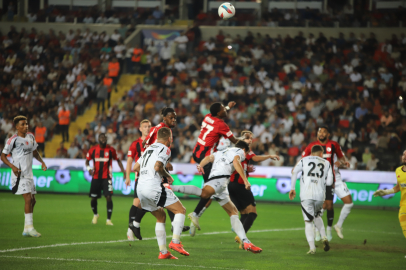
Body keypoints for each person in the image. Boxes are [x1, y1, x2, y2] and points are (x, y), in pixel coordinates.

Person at [170, 140, 263, 253]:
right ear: (244, 149)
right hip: (220, 179)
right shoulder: (240, 152)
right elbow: (236, 162)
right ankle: (171, 188)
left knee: (233, 212)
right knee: (204, 193)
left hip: (220, 182)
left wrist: (200, 165)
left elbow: (209, 158)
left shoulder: (222, 151)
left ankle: (246, 241)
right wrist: (245, 180)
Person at [133, 127, 189, 259]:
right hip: (153, 186)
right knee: (180, 210)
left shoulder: (148, 149)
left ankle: (163, 253)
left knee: (161, 216)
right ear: (169, 139)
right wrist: (167, 175)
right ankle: (176, 242)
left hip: (140, 188)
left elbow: (135, 167)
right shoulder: (165, 149)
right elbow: (158, 167)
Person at [188, 102, 239, 232]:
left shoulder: (207, 117)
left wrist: (228, 107)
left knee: (213, 191)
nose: (225, 110)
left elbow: (215, 112)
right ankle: (195, 214)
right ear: (218, 112)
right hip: (207, 157)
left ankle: (195, 219)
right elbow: (235, 141)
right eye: (223, 109)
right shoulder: (222, 125)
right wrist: (246, 140)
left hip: (198, 152)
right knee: (210, 191)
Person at [142, 108, 189, 232]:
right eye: (171, 118)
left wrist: (165, 160)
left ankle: (175, 223)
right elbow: (145, 144)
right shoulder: (159, 128)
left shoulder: (166, 129)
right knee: (147, 198)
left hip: (155, 164)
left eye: (175, 118)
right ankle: (134, 223)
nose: (173, 120)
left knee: (165, 192)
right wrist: (160, 160)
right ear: (164, 118)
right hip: (153, 167)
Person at [299, 125, 349, 241]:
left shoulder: (334, 145)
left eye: (324, 132)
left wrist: (342, 162)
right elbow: (302, 159)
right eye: (319, 132)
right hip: (315, 180)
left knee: (329, 205)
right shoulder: (311, 146)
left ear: (328, 134)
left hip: (329, 179)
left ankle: (329, 229)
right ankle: (317, 231)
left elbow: (342, 158)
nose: (321, 134)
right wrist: (297, 169)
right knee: (319, 205)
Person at [1, 116, 47, 237]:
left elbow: (35, 152)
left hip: (29, 174)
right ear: (17, 127)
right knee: (27, 199)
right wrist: (12, 166)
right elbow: (3, 156)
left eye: (26, 124)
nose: (25, 126)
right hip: (19, 173)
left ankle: (26, 229)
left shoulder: (31, 136)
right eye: (22, 124)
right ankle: (31, 228)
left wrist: (42, 162)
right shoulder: (13, 140)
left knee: (33, 200)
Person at [290, 145, 333, 254]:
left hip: (306, 194)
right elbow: (329, 182)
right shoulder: (327, 163)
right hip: (320, 195)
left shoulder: (304, 160)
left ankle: (312, 248)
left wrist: (292, 188)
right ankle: (324, 236)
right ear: (321, 153)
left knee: (308, 222)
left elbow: (294, 172)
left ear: (312, 152)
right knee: (317, 215)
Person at [85, 133, 125, 226]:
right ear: (98, 139)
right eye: (101, 138)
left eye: (104, 138)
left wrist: (123, 172)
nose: (103, 139)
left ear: (106, 139)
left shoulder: (111, 150)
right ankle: (95, 215)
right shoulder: (93, 150)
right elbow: (87, 161)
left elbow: (118, 160)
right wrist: (89, 169)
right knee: (93, 198)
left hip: (107, 177)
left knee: (108, 197)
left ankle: (108, 220)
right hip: (96, 177)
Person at [124, 119, 151, 241]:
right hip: (140, 177)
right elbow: (130, 160)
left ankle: (134, 226)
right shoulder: (135, 144)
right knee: (137, 202)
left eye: (149, 126)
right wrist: (127, 176)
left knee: (145, 203)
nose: (147, 128)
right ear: (140, 129)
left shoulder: (154, 143)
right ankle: (130, 229)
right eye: (145, 126)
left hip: (152, 177)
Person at [373, 150, 406, 238]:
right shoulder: (398, 170)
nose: (404, 156)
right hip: (403, 205)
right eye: (403, 154)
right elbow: (398, 187)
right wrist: (386, 192)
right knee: (404, 227)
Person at [331, 157, 353, 239]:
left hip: (337, 181)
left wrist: (344, 162)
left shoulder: (336, 147)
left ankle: (338, 226)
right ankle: (314, 227)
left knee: (349, 203)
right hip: (325, 181)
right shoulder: (321, 148)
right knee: (325, 206)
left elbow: (343, 160)